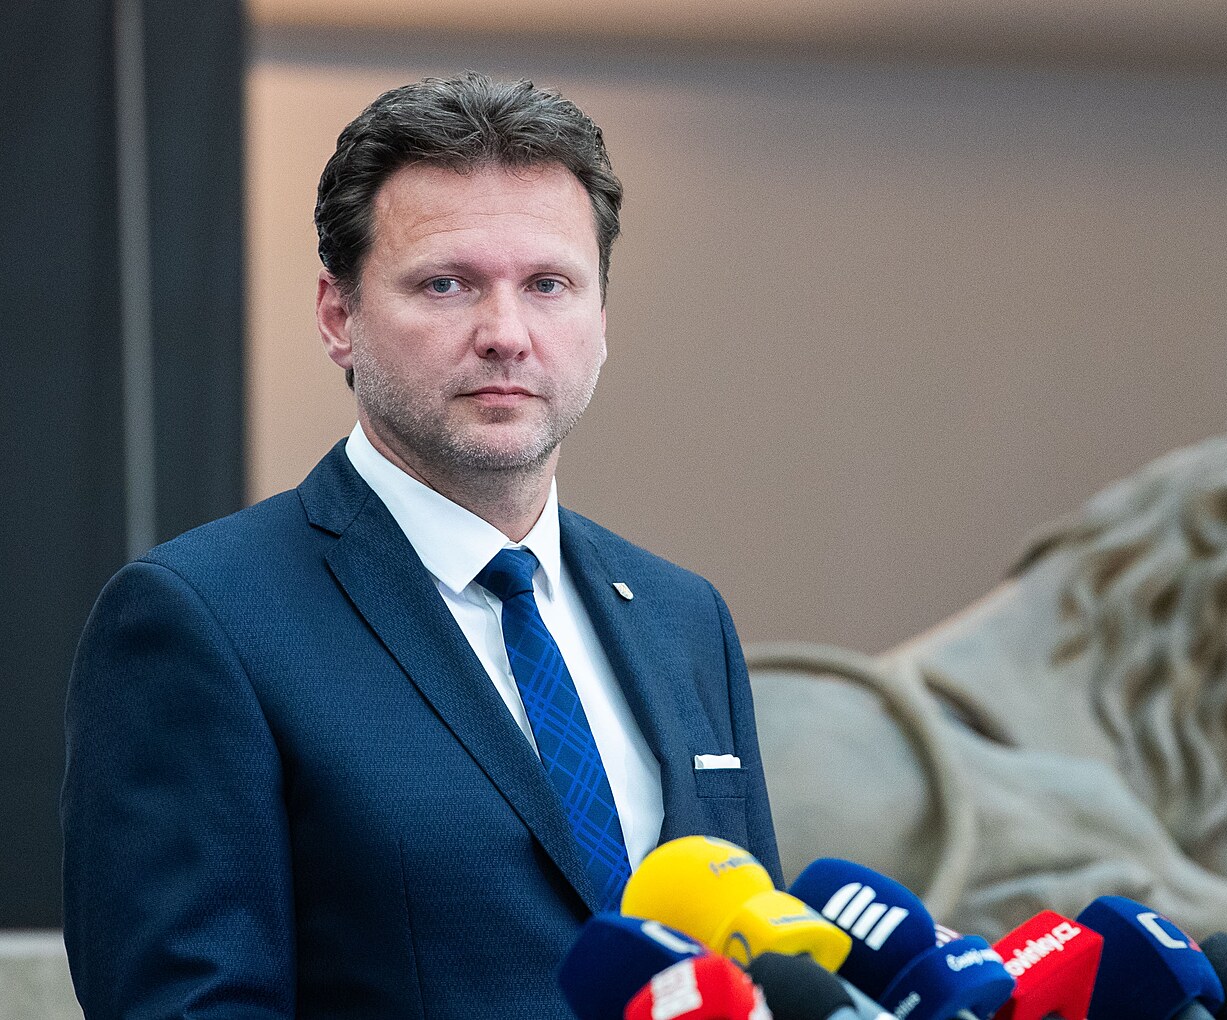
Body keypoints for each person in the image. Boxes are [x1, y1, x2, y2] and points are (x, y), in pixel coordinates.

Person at [62, 73, 780, 1020]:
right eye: (447, 284)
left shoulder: (685, 618)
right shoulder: (200, 619)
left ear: (601, 321)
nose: (505, 335)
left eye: (549, 285)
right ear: (338, 316)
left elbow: (758, 969)